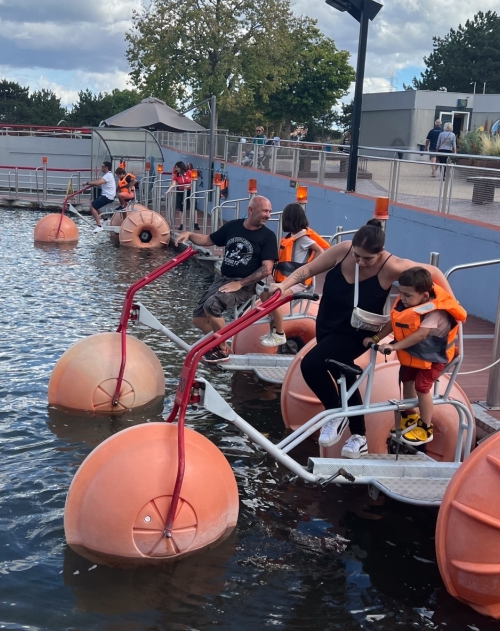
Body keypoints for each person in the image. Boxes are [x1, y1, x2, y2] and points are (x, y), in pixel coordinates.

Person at [273, 219, 451, 458]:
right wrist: (282, 286)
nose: (361, 262)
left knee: (311, 365)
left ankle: (335, 414)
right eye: (357, 256)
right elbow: (307, 270)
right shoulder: (343, 250)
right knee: (343, 374)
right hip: (327, 324)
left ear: (381, 252)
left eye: (368, 258)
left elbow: (435, 273)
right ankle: (359, 437)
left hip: (358, 333)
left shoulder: (392, 266)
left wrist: (451, 310)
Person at [175, 196, 278, 364]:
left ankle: (222, 350)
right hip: (222, 279)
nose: (268, 215)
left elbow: (267, 269)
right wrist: (190, 235)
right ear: (251, 210)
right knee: (199, 319)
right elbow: (208, 240)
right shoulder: (233, 226)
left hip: (244, 284)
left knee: (212, 306)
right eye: (265, 211)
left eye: (270, 212)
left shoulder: (268, 236)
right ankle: (222, 344)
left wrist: (240, 283)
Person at [375, 266, 467, 446]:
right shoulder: (409, 303)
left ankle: (426, 427)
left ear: (425, 296)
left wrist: (394, 346)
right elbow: (395, 321)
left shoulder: (435, 312)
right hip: (415, 354)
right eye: (401, 293)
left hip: (435, 357)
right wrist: (376, 338)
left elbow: (420, 335)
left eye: (407, 295)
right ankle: (410, 416)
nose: (403, 298)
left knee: (422, 387)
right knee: (406, 379)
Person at [260, 203, 329, 347]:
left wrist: (309, 268)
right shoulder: (290, 237)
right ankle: (273, 329)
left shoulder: (303, 238)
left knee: (273, 299)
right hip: (287, 280)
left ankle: (279, 334)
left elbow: (320, 251)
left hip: (299, 282)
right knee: (264, 295)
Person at [88, 161, 116, 231]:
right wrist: (92, 183)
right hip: (108, 196)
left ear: (106, 167)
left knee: (92, 207)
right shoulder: (108, 175)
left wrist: (87, 183)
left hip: (108, 196)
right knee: (95, 206)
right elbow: (99, 182)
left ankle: (99, 226)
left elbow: (98, 183)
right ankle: (105, 220)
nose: (101, 168)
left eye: (103, 166)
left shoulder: (108, 175)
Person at [171, 161, 192, 229]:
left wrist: (189, 185)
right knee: (181, 208)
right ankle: (182, 224)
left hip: (190, 191)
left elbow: (193, 181)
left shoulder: (189, 172)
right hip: (181, 192)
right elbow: (173, 184)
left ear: (181, 167)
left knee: (193, 207)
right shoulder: (176, 175)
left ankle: (195, 223)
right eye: (176, 168)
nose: (176, 169)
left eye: (177, 167)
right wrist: (168, 191)